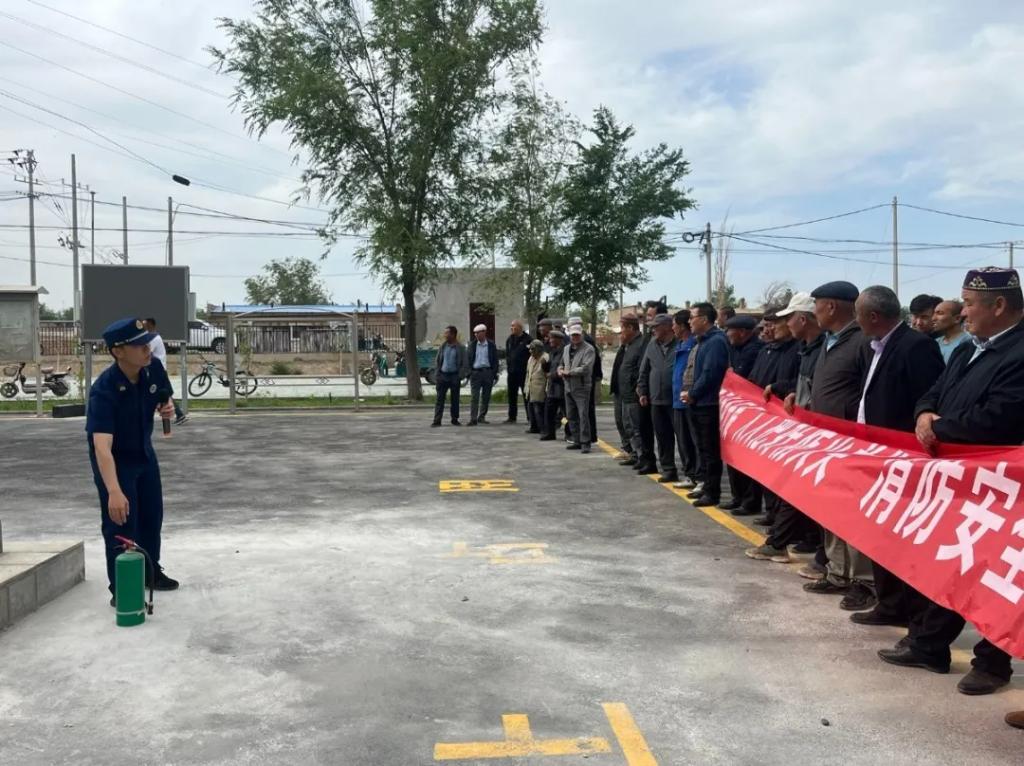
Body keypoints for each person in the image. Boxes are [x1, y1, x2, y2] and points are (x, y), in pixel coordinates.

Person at [879, 266, 1024, 696]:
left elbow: (1000, 417)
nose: (963, 313)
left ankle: (993, 663)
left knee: (997, 575)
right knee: (953, 562)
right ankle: (929, 644)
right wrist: (925, 414)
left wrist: (938, 429)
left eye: (970, 305)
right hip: (958, 480)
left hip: (1002, 486)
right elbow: (933, 390)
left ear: (999, 306)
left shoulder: (1019, 353)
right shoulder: (967, 349)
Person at [849, 285, 945, 620]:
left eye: (859, 314)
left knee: (901, 537)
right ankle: (889, 603)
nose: (856, 320)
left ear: (873, 316)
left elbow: (928, 399)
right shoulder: (874, 346)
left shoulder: (916, 346)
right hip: (873, 454)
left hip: (902, 459)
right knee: (879, 532)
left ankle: (909, 610)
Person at [86, 317, 180, 605]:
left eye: (147, 343)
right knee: (121, 521)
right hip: (116, 461)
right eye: (139, 346)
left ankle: (150, 571)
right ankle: (122, 587)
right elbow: (101, 447)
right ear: (118, 351)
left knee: (151, 517)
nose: (147, 350)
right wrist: (114, 491)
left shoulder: (153, 368)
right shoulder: (105, 389)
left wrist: (167, 406)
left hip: (144, 454)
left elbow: (164, 397)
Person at [801, 281, 872, 607]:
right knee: (830, 507)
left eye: (816, 304)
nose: (813, 311)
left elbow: (869, 391)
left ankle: (864, 580)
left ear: (831, 306)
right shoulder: (829, 341)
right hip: (825, 442)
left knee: (855, 511)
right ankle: (838, 571)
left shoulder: (862, 342)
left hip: (851, 443)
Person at [746, 292, 825, 564]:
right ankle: (790, 542)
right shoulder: (809, 348)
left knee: (797, 486)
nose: (785, 324)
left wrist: (786, 389)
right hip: (803, 429)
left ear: (802, 319)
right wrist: (792, 392)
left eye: (787, 319)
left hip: (820, 434)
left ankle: (787, 544)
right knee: (795, 486)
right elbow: (806, 384)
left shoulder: (825, 347)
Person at [732, 308, 800, 523]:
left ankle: (781, 517)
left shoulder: (797, 350)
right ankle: (770, 511)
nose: (768, 330)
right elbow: (753, 380)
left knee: (782, 470)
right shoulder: (765, 351)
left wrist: (778, 387)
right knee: (765, 466)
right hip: (763, 418)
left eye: (773, 324)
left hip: (785, 419)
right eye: (766, 325)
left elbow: (799, 383)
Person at [681, 303, 730, 507]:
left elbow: (711, 373)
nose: (689, 321)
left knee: (710, 450)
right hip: (698, 403)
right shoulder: (701, 341)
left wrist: (693, 394)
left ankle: (712, 491)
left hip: (708, 404)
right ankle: (706, 486)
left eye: (692, 317)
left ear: (704, 319)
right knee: (701, 448)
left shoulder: (716, 341)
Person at [722, 314, 764, 514]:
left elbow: (741, 377)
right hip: (734, 410)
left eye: (730, 330)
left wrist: (732, 374)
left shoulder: (755, 350)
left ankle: (750, 501)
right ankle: (737, 496)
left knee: (749, 459)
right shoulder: (735, 348)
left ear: (742, 332)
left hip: (750, 412)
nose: (727, 334)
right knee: (734, 457)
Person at [637, 314, 679, 483]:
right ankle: (668, 469)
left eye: (656, 326)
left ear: (668, 327)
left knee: (683, 438)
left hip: (676, 400)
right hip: (656, 399)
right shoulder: (652, 345)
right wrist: (642, 391)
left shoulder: (680, 344)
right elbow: (644, 370)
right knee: (662, 436)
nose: (652, 329)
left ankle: (693, 473)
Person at [670, 310, 699, 488]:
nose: (672, 328)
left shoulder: (694, 345)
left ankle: (697, 476)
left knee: (692, 441)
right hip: (677, 399)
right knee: (683, 441)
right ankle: (690, 474)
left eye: (674, 324)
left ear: (682, 326)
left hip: (689, 399)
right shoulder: (680, 345)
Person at [616, 316, 649, 469]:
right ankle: (635, 454)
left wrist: (638, 388)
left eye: (623, 328)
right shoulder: (627, 345)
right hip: (624, 394)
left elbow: (640, 369)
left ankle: (643, 457)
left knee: (637, 428)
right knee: (627, 426)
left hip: (633, 394)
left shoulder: (641, 344)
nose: (621, 332)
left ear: (630, 328)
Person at [559, 325, 596, 453]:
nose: (575, 337)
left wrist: (569, 373)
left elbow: (586, 368)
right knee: (571, 415)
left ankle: (585, 442)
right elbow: (561, 363)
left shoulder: (589, 349)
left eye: (577, 335)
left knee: (583, 415)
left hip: (581, 387)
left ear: (582, 335)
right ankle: (577, 440)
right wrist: (560, 370)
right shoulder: (566, 349)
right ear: (569, 335)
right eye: (573, 335)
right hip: (568, 386)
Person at [143, 318, 186, 424]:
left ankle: (179, 414)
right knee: (162, 392)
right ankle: (179, 414)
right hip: (156, 369)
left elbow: (146, 352)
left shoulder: (154, 338)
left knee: (163, 392)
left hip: (158, 370)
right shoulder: (154, 337)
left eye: (145, 325)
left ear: (151, 325)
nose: (143, 327)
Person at [567, 315, 602, 442]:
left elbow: (589, 363)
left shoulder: (585, 342)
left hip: (584, 380)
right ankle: (585, 436)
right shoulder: (578, 341)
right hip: (581, 379)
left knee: (584, 411)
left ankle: (588, 437)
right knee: (582, 410)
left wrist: (569, 372)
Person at [432, 325, 468, 427]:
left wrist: (460, 375)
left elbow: (465, 364)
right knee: (439, 399)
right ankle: (437, 420)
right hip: (443, 376)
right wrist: (438, 374)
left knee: (455, 399)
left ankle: (455, 419)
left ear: (453, 335)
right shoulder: (443, 346)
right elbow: (438, 361)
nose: (445, 335)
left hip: (454, 376)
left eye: (447, 333)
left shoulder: (460, 348)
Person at [467, 323, 499, 425]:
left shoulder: (491, 345)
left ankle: (482, 416)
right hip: (475, 373)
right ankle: (473, 418)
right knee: (474, 397)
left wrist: (493, 373)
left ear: (484, 332)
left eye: (478, 333)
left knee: (486, 396)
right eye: (475, 333)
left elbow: (495, 360)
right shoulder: (472, 345)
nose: (476, 335)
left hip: (487, 372)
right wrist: (470, 372)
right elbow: (468, 359)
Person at [540, 330, 567, 442]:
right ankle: (550, 433)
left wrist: (552, 375)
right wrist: (544, 365)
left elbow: (564, 367)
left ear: (558, 339)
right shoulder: (552, 352)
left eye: (552, 338)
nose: (550, 340)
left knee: (566, 413)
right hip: (552, 388)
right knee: (549, 411)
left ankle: (570, 433)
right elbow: (551, 366)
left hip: (562, 387)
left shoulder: (565, 352)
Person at [504, 320, 532, 425]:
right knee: (512, 395)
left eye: (513, 326)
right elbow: (508, 354)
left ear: (520, 327)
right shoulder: (509, 339)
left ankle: (530, 417)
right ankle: (512, 417)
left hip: (523, 372)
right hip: (512, 372)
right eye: (511, 326)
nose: (511, 328)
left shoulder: (528, 340)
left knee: (526, 396)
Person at [524, 340, 548, 435]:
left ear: (538, 349)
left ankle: (542, 428)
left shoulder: (545, 358)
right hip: (531, 387)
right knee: (530, 409)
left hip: (540, 388)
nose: (530, 351)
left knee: (539, 410)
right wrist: (526, 387)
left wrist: (547, 389)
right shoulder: (530, 359)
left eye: (532, 349)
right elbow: (528, 374)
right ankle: (533, 427)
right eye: (530, 349)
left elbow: (547, 375)